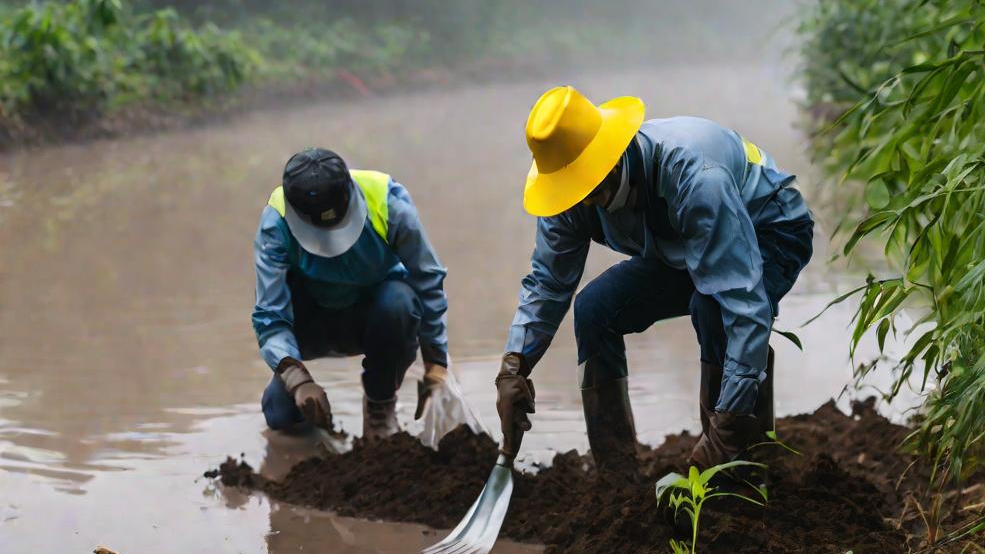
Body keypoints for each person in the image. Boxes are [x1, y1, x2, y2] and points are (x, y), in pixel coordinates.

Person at [495, 86, 814, 473]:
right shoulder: (568, 196)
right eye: (570, 191)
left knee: (713, 308)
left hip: (768, 228)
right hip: (681, 241)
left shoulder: (696, 178)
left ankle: (739, 467)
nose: (578, 203)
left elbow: (743, 305)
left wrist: (726, 425)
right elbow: (548, 283)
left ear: (609, 164)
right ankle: (617, 478)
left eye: (585, 189)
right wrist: (515, 364)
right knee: (595, 309)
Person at [252, 147, 448, 439]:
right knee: (281, 417)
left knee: (400, 302)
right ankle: (310, 427)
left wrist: (435, 360)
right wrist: (297, 379)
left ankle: (380, 408)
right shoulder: (276, 223)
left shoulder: (388, 203)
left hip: (375, 315)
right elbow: (270, 314)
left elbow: (427, 279)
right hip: (309, 319)